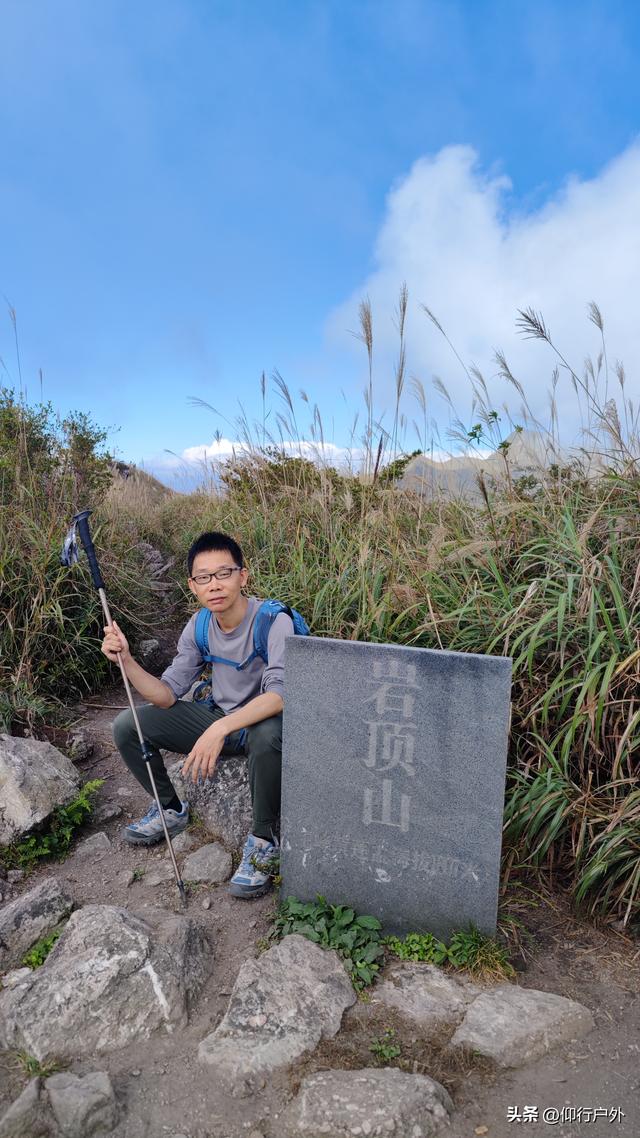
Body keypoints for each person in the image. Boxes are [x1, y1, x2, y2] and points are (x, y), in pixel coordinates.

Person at [102, 530, 292, 899]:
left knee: (267, 734)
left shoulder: (272, 620)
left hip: (264, 724)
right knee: (128, 725)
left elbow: (279, 695)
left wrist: (219, 728)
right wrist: (126, 659)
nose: (214, 585)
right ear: (192, 585)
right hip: (220, 716)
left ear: (243, 575)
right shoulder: (200, 625)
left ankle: (262, 840)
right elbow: (166, 693)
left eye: (224, 573)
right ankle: (171, 809)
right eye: (204, 577)